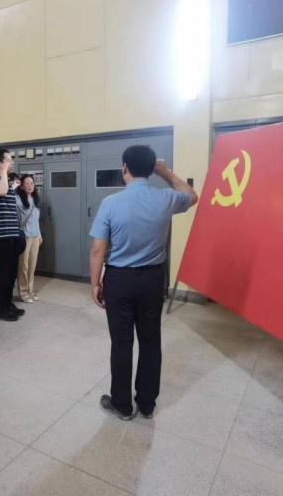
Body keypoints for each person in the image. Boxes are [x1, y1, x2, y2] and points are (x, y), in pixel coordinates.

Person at [90, 145, 198, 421]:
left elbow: (98, 249)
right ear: (151, 170)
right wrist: (166, 172)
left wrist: (95, 283)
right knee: (150, 341)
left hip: (119, 280)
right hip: (152, 280)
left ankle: (122, 405)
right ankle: (147, 403)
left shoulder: (111, 203)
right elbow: (192, 195)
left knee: (122, 342)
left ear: (124, 168)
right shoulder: (166, 198)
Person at [0, 149, 24, 321]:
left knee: (10, 275)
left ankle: (8, 304)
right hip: (0, 238)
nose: (12, 163)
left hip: (12, 235)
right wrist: (3, 174)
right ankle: (0, 308)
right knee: (1, 275)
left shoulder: (5, 180)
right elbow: (0, 192)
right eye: (8, 160)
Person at [16, 174, 42, 303]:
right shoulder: (17, 199)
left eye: (32, 183)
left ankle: (30, 291)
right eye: (27, 183)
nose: (30, 186)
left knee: (32, 265)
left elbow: (36, 219)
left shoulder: (35, 199)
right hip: (25, 237)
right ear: (21, 186)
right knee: (23, 266)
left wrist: (40, 235)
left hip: (35, 235)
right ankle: (23, 292)